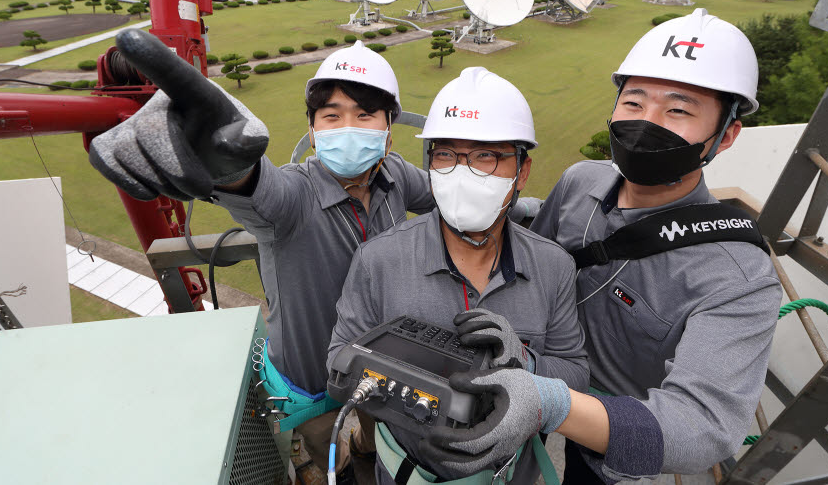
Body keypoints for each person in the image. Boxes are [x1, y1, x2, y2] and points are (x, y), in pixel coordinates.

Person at [88, 31, 540, 483]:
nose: (349, 128)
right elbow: (257, 188)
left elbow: (450, 195)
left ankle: (364, 450)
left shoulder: (396, 177)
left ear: (388, 127)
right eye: (332, 115)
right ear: (312, 128)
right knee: (331, 461)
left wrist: (521, 207)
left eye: (365, 115)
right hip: (313, 378)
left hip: (385, 364)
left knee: (376, 433)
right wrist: (226, 168)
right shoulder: (293, 196)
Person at [420, 9, 784, 483]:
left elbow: (704, 427)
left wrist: (553, 403)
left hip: (615, 435)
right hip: (536, 367)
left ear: (727, 134)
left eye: (678, 110)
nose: (647, 122)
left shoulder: (737, 279)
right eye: (634, 103)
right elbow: (536, 262)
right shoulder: (579, 183)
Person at [328, 67, 590, 485]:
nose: (462, 172)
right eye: (446, 154)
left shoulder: (552, 267)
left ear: (521, 172)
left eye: (486, 156)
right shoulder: (379, 260)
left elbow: (575, 371)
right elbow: (339, 361)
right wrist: (421, 406)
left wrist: (523, 362)